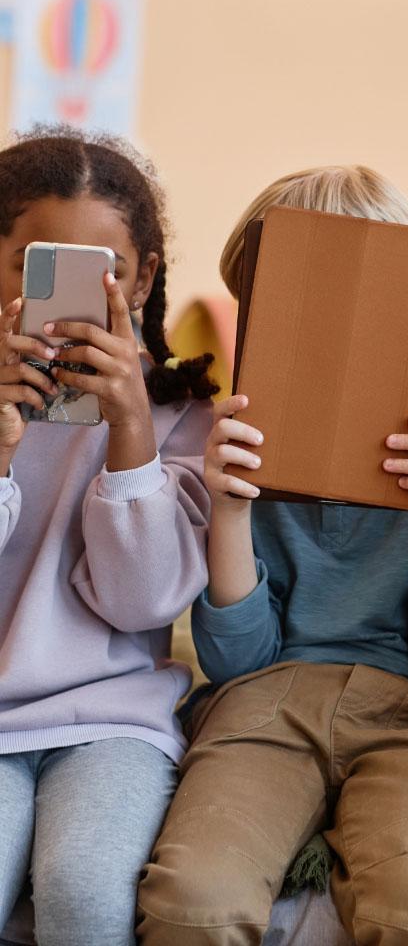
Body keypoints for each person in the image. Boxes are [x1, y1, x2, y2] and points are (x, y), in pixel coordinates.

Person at [137, 166, 408, 946]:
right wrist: (231, 513)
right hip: (264, 702)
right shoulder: (222, 441)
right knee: (191, 901)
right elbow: (236, 662)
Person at [0, 129, 216, 946]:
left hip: (112, 720)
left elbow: (142, 604)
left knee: (85, 893)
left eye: (107, 272)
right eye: (36, 264)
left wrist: (131, 431)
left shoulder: (180, 421)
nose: (70, 298)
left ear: (144, 278)